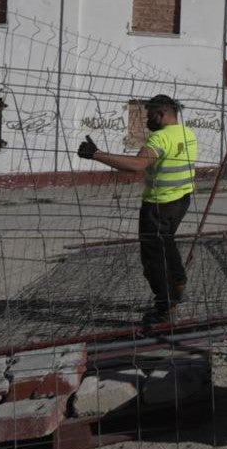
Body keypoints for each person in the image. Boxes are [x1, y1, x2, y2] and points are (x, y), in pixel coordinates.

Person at [77, 94, 198, 325]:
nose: (146, 119)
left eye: (149, 114)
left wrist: (96, 154)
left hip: (159, 205)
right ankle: (178, 282)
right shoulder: (187, 133)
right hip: (181, 200)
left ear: (162, 114)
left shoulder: (160, 139)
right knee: (167, 242)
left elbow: (136, 166)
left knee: (153, 257)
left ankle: (165, 308)